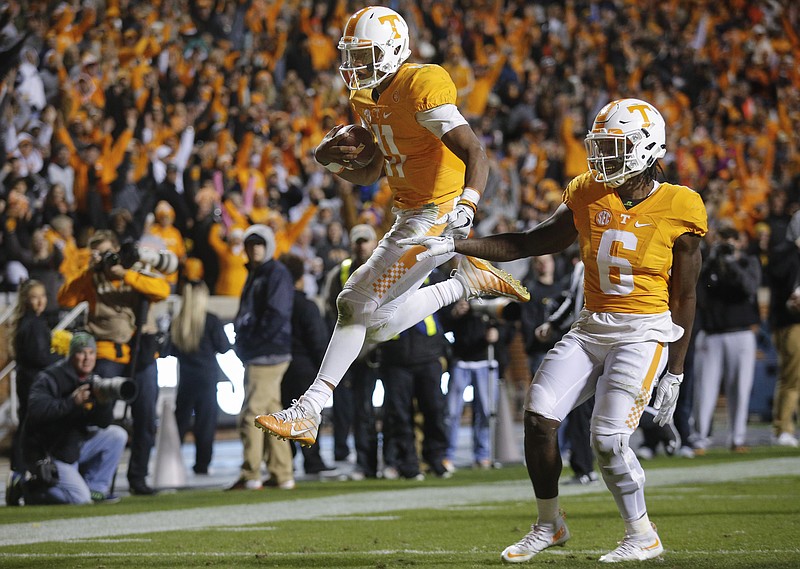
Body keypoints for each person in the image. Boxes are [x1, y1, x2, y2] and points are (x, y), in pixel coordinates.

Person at [407, 98, 707, 563]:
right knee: (538, 419)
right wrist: (453, 244)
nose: (603, 156)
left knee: (607, 440)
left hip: (644, 331)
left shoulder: (680, 204)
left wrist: (677, 370)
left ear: (647, 149)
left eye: (616, 146)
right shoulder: (588, 191)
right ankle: (550, 524)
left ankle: (642, 533)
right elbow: (527, 242)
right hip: (591, 328)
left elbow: (684, 297)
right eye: (601, 145)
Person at [255, 6, 529, 446]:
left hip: (436, 214)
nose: (353, 67)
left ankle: (309, 410)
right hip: (407, 213)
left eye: (363, 56)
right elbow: (372, 172)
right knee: (376, 323)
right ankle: (464, 284)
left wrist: (467, 206)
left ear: (393, 51)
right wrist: (330, 163)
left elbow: (475, 152)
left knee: (352, 302)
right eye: (350, 56)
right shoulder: (366, 97)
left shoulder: (421, 83)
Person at [57, 230, 171, 496]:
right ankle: (97, 476)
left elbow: (162, 290)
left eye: (109, 252)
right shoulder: (93, 278)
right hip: (107, 352)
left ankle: (138, 477)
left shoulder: (137, 271)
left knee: (145, 418)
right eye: (100, 254)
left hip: (141, 353)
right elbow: (65, 298)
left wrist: (126, 274)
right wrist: (89, 271)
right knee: (100, 415)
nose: (106, 259)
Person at [20, 332, 128, 505]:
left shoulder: (93, 379)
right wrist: (72, 402)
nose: (87, 358)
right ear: (71, 355)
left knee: (117, 435)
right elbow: (36, 411)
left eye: (91, 353)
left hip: (74, 445)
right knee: (80, 499)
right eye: (81, 352)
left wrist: (103, 403)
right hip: (50, 451)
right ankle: (30, 488)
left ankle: (97, 489)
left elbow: (103, 423)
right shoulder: (50, 377)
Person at [228, 225, 296, 491]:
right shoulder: (260, 272)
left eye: (259, 243)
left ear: (268, 246)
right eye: (250, 243)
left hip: (267, 352)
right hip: (268, 350)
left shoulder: (274, 273)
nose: (255, 248)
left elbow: (276, 315)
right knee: (271, 415)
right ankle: (282, 474)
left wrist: (251, 342)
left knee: (252, 414)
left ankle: (250, 473)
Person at [693, 227, 761, 453]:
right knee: (704, 388)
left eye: (732, 241)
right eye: (724, 241)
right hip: (712, 333)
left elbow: (749, 288)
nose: (728, 246)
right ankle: (700, 438)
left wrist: (731, 262)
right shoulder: (708, 264)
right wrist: (711, 261)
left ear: (740, 242)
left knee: (740, 389)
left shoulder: (748, 262)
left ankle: (737, 438)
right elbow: (699, 294)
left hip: (741, 332)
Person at [169, 258, 233, 475]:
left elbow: (170, 351)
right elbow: (224, 348)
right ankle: (202, 465)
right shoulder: (211, 320)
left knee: (180, 422)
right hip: (207, 378)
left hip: (186, 379)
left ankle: (172, 462)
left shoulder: (178, 321)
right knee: (205, 424)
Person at [278, 253, 336, 476]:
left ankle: (286, 461)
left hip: (282, 367)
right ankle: (313, 460)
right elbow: (318, 341)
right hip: (305, 369)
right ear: (300, 278)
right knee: (308, 416)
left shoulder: (277, 303)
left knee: (284, 414)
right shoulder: (306, 305)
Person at [5, 280, 61, 504]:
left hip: (27, 380)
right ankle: (24, 474)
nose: (40, 301)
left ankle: (19, 474)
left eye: (43, 296)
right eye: (35, 297)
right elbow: (41, 357)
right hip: (34, 382)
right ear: (26, 300)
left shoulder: (26, 322)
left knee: (26, 427)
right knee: (32, 428)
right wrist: (61, 358)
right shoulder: (33, 324)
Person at [767, 209, 800, 447]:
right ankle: (783, 428)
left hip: (790, 322)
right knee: (792, 378)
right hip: (791, 323)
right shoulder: (786, 254)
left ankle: (784, 426)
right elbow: (787, 293)